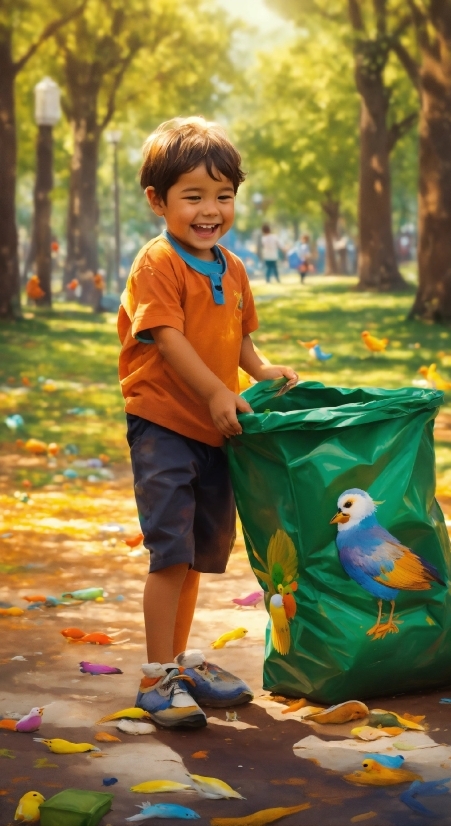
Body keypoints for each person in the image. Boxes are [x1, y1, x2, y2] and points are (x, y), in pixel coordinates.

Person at [117, 117, 298, 730]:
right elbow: (167, 338)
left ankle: (180, 662)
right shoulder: (156, 263)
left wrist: (261, 370)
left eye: (223, 196)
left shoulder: (234, 265)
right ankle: (154, 675)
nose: (210, 209)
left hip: (216, 430)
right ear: (157, 200)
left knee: (195, 556)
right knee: (170, 553)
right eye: (193, 196)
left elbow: (240, 339)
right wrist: (221, 391)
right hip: (165, 424)